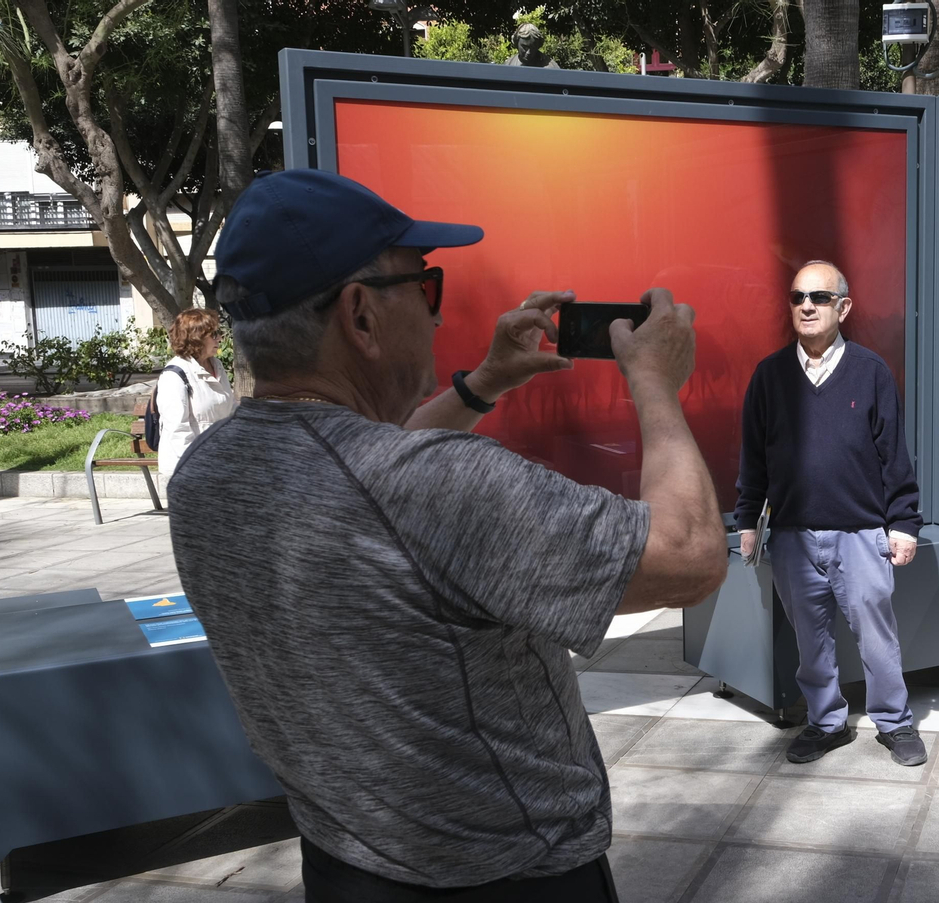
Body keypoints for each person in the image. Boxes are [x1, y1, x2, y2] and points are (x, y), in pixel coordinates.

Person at [166, 169, 726, 902]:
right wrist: (656, 380)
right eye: (423, 286)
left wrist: (484, 381)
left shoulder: (203, 476)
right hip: (509, 874)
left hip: (343, 860)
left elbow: (362, 464)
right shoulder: (441, 484)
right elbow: (689, 555)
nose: (436, 316)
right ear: (360, 314)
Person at [734, 260, 927, 767]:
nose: (806, 306)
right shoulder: (769, 375)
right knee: (810, 641)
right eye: (798, 297)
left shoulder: (870, 371)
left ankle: (895, 722)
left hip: (861, 535)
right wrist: (747, 521)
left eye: (819, 298)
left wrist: (904, 523)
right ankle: (826, 723)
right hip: (793, 536)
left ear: (843, 307)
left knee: (877, 637)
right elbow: (753, 456)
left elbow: (894, 455)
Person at [155, 306, 236, 475]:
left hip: (219, 462)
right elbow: (177, 430)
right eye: (213, 334)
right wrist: (198, 468)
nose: (220, 338)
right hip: (189, 467)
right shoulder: (174, 375)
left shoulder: (217, 366)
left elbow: (229, 411)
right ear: (195, 338)